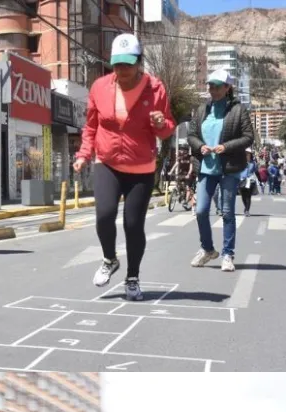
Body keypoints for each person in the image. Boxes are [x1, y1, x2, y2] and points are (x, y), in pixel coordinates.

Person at [74, 33, 176, 301]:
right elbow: (91, 126)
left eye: (128, 64)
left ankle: (132, 277)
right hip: (107, 161)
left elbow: (167, 130)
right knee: (104, 215)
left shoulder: (156, 89)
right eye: (117, 64)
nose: (122, 70)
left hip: (141, 167)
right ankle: (109, 259)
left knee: (133, 225)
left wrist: (159, 123)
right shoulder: (99, 87)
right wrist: (85, 153)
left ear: (139, 62)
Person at [188, 69, 255, 273]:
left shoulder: (238, 110)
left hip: (229, 168)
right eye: (210, 86)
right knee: (200, 211)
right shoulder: (201, 110)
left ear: (228, 88)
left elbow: (248, 137)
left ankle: (227, 254)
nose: (213, 90)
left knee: (227, 212)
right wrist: (200, 146)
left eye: (217, 86)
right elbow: (191, 135)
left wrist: (226, 147)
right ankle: (207, 249)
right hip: (206, 168)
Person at [239, 148, 259, 216]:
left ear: (250, 154)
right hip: (241, 180)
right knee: (243, 196)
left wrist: (260, 180)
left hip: (250, 181)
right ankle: (246, 207)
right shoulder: (240, 162)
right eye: (245, 153)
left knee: (248, 196)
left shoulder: (253, 163)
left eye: (248, 153)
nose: (247, 154)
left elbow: (256, 171)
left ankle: (247, 210)